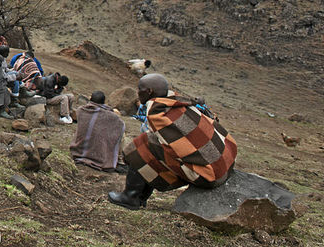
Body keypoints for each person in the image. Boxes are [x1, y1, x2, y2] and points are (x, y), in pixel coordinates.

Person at [108, 74, 237, 210]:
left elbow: (171, 149)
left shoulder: (158, 113)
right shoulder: (178, 103)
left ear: (149, 92)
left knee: (141, 146)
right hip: (224, 165)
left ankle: (130, 196)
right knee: (151, 147)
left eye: (140, 89)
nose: (137, 93)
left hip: (209, 176)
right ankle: (140, 197)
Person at [69, 91, 125, 171]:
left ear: (90, 99)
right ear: (103, 102)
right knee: (121, 134)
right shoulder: (111, 116)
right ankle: (119, 160)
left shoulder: (81, 110)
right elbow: (122, 125)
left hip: (77, 150)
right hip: (99, 158)